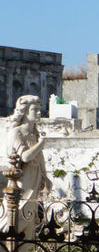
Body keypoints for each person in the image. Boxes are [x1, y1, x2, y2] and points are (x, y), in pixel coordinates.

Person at [1, 95, 51, 238]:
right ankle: (6, 243)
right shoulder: (16, 132)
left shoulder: (34, 133)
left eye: (39, 109)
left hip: (35, 176)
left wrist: (45, 176)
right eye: (35, 109)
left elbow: (39, 157)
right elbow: (25, 156)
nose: (39, 113)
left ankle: (23, 248)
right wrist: (41, 144)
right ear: (24, 112)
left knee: (30, 213)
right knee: (18, 211)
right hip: (21, 179)